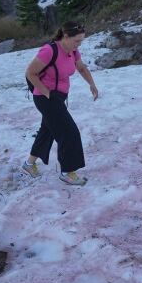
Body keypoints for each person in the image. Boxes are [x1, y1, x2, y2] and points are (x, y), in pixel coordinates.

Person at [23, 21, 98, 185]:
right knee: (69, 132)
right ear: (65, 36)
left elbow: (82, 68)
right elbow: (31, 73)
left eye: (81, 41)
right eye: (76, 40)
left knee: (48, 130)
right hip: (45, 97)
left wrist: (92, 84)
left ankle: (29, 164)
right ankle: (67, 171)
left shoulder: (73, 51)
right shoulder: (49, 51)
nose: (78, 44)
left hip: (59, 96)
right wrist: (47, 94)